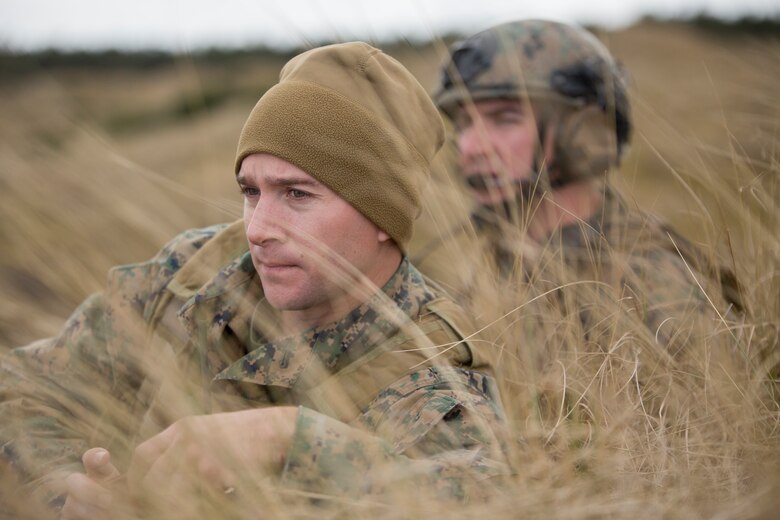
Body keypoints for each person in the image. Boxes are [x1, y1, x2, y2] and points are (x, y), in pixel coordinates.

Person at [0, 42, 507, 518]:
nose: (258, 228)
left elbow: (477, 492)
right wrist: (67, 485)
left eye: (297, 195)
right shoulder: (194, 271)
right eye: (250, 191)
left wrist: (289, 438)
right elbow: (26, 386)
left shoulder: (433, 361)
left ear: (383, 216)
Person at [412, 19, 743, 349]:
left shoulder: (655, 280)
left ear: (584, 135)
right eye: (465, 123)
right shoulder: (493, 264)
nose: (471, 146)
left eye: (504, 119)